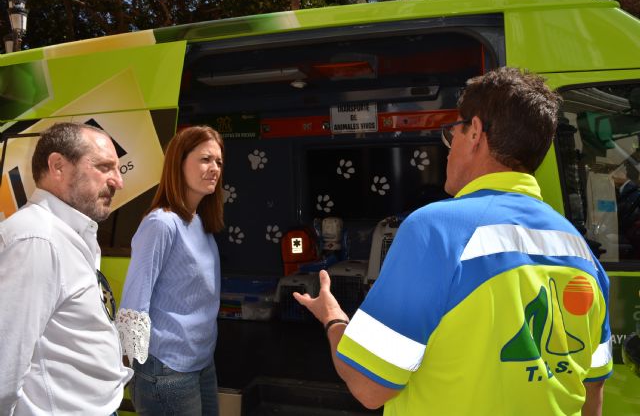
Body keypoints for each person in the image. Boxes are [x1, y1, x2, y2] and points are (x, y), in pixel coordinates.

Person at [294, 67, 613, 416]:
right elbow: (592, 393)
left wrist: (333, 318)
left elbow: (369, 386)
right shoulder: (581, 252)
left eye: (453, 133)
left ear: (475, 132)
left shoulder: (435, 230)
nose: (448, 147)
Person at [0, 122, 132, 415]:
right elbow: (5, 364)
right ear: (58, 166)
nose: (118, 181)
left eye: (118, 169)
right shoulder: (37, 239)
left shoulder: (69, 233)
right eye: (104, 167)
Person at [116, 125, 225, 415]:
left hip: (201, 363)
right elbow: (134, 300)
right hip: (166, 368)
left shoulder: (201, 223)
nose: (214, 168)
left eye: (218, 162)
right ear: (179, 163)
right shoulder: (161, 224)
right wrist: (129, 368)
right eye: (205, 159)